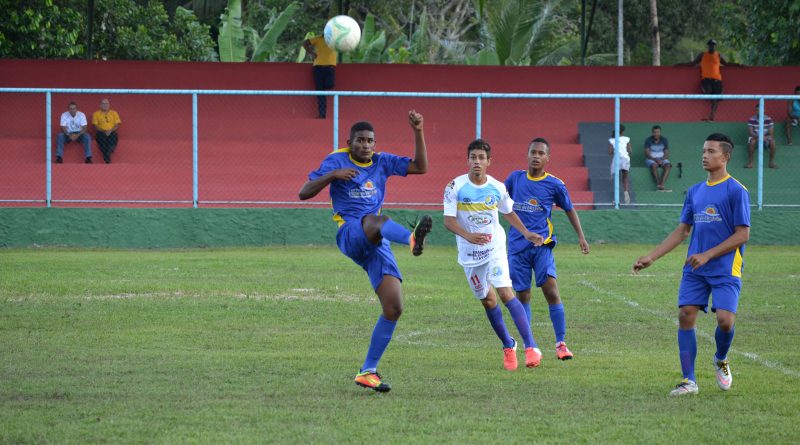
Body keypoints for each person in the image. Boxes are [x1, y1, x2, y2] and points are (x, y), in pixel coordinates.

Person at [298, 111, 432, 393]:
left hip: (376, 241)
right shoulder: (336, 159)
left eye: (370, 140)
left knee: (394, 307)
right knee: (377, 220)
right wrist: (333, 175)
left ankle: (368, 371)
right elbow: (304, 192)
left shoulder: (382, 161)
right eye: (360, 140)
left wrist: (418, 130)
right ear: (350, 142)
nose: (366, 145)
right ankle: (410, 239)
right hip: (350, 232)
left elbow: (421, 167)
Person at [632, 133, 750, 397]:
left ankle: (721, 358)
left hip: (725, 268)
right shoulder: (695, 191)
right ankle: (689, 380)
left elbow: (743, 234)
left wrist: (708, 254)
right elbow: (683, 231)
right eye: (703, 151)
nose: (704, 155)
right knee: (686, 314)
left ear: (726, 156)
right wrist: (652, 256)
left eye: (711, 151)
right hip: (695, 268)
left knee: (725, 321)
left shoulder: (736, 191)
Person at [443, 138, 545, 371]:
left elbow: (508, 212)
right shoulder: (454, 187)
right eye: (473, 158)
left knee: (505, 292)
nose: (477, 162)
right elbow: (448, 221)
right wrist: (467, 235)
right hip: (470, 254)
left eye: (481, 158)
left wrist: (527, 233)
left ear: (489, 162)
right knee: (488, 300)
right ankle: (509, 345)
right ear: (467, 160)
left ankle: (531, 347)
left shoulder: (497, 187)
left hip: (494, 247)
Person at [504, 137, 590, 362]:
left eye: (541, 153)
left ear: (547, 158)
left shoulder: (555, 185)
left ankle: (561, 343)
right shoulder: (514, 179)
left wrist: (581, 237)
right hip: (516, 247)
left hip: (542, 245)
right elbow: (500, 204)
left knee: (551, 290)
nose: (536, 156)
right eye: (533, 152)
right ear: (527, 154)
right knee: (522, 295)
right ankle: (529, 345)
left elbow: (570, 209)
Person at [675, 39, 743, 122]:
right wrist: (680, 64)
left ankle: (712, 116)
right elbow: (692, 64)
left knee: (716, 98)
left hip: (717, 79)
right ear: (708, 46)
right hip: (706, 79)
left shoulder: (718, 55)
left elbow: (726, 64)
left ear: (715, 46)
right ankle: (711, 95)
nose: (712, 46)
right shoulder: (703, 55)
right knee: (708, 92)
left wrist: (738, 65)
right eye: (710, 45)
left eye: (713, 45)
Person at [303, 33, 337, 119]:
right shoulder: (318, 38)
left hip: (330, 67)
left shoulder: (335, 39)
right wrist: (312, 53)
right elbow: (305, 43)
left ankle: (323, 89)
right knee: (320, 93)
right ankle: (322, 115)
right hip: (317, 67)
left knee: (330, 84)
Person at [746, 103, 777, 169]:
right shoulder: (751, 119)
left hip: (766, 136)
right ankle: (750, 163)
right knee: (752, 142)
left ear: (764, 110)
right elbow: (751, 132)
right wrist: (759, 137)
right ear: (755, 110)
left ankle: (771, 163)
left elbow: (771, 133)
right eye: (757, 110)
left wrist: (764, 137)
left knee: (773, 142)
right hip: (755, 136)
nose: (759, 111)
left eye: (761, 110)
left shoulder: (769, 119)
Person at [92, 98, 121, 164]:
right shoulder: (96, 114)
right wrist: (104, 131)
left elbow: (116, 125)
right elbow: (96, 126)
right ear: (100, 105)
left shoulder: (114, 113)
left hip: (111, 131)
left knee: (113, 137)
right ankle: (107, 156)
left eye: (107, 103)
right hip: (101, 131)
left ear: (109, 105)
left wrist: (110, 131)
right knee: (102, 139)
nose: (105, 105)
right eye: (103, 104)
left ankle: (107, 154)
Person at [608, 125, 632, 205]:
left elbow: (610, 152)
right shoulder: (626, 139)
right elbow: (630, 150)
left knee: (616, 178)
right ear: (622, 131)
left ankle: (616, 198)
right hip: (625, 159)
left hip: (617, 159)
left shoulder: (613, 140)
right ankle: (626, 193)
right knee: (625, 177)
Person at [644, 125, 672, 191]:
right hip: (651, 159)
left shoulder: (664, 140)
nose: (656, 134)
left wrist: (662, 160)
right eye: (654, 132)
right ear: (652, 133)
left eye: (658, 132)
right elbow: (647, 154)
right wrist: (655, 160)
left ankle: (661, 184)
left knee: (668, 165)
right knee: (654, 165)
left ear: (660, 132)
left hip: (662, 159)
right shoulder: (648, 140)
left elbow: (666, 153)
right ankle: (659, 184)